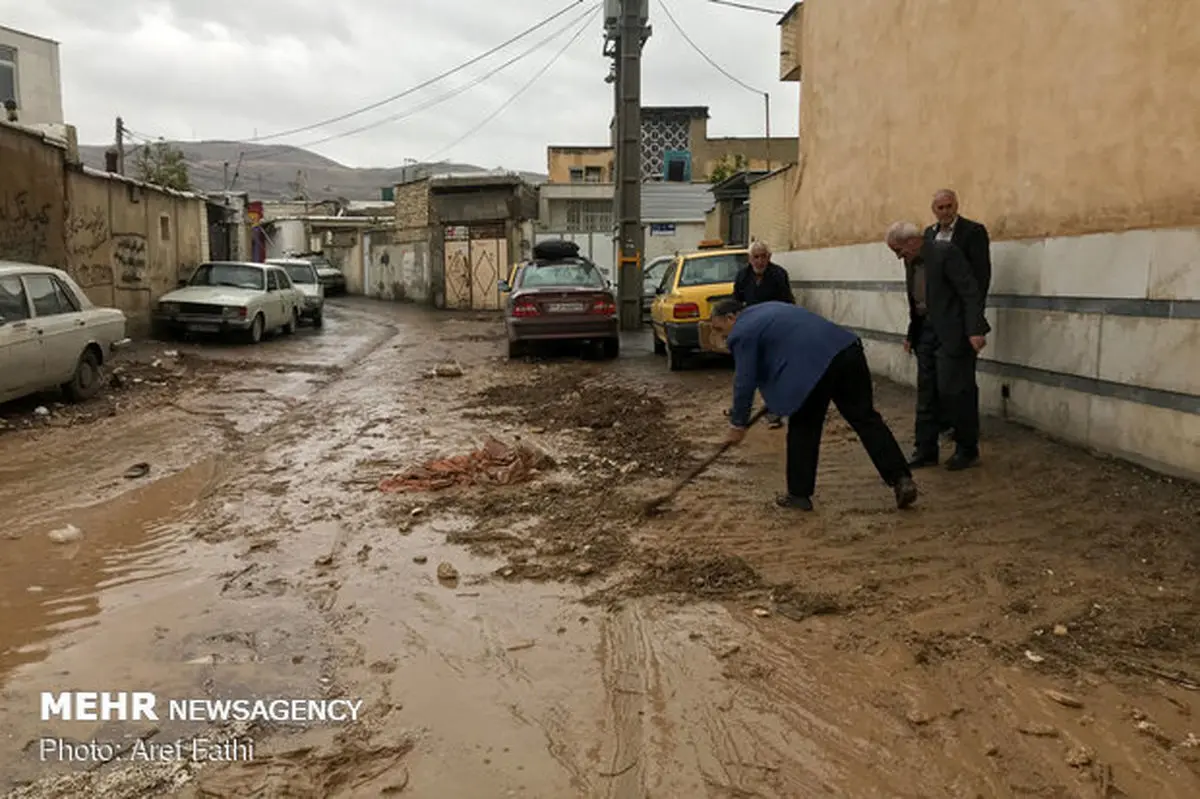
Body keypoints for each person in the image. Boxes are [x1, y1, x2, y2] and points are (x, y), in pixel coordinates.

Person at [711, 299, 918, 512]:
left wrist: (738, 424)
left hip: (812, 366)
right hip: (847, 351)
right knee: (866, 419)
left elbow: (745, 379)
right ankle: (901, 479)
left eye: (720, 328)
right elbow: (779, 355)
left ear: (731, 317)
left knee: (804, 427)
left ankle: (799, 495)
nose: (724, 336)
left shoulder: (742, 331)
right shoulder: (767, 309)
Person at [886, 221, 989, 471]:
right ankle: (925, 449)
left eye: (900, 250)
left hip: (954, 332)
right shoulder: (911, 262)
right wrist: (913, 333)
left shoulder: (946, 253)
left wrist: (974, 329)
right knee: (926, 392)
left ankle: (967, 448)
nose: (900, 256)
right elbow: (918, 301)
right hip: (926, 333)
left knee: (955, 390)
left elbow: (970, 291)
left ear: (913, 241)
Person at [923, 189, 992, 442]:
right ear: (934, 210)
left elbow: (980, 278)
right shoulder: (928, 235)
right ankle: (948, 423)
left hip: (963, 317)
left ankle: (967, 429)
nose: (945, 212)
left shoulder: (973, 232)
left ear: (956, 206)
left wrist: (974, 321)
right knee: (941, 378)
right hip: (938, 318)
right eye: (940, 208)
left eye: (949, 206)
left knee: (963, 378)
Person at [731, 240, 795, 429]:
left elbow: (787, 302)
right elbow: (736, 302)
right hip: (752, 330)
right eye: (756, 257)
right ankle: (743, 409)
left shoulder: (778, 274)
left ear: (769, 257)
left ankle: (774, 410)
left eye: (763, 256)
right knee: (749, 371)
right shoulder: (743, 276)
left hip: (774, 328)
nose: (760, 261)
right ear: (750, 259)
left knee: (774, 370)